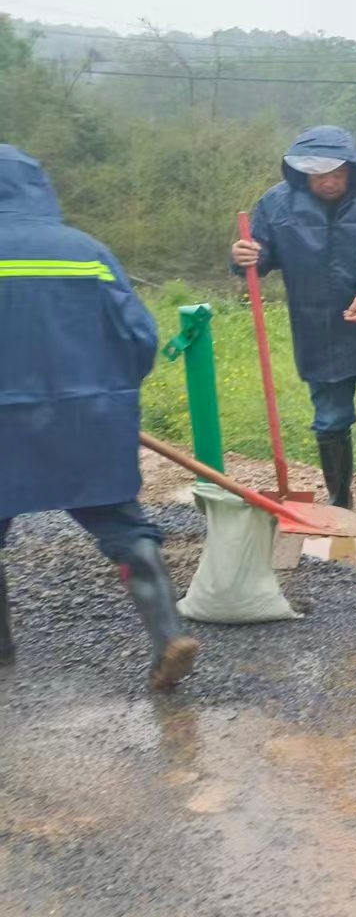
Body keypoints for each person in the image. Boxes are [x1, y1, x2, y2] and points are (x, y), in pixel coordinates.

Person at [0, 145, 198, 690]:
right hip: (87, 415)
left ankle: (2, 648)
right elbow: (138, 336)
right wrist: (114, 394)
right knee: (122, 524)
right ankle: (168, 639)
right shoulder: (86, 251)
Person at [231, 126, 356, 528]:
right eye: (318, 174)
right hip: (318, 332)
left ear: (352, 169)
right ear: (301, 172)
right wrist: (244, 256)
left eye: (336, 172)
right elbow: (259, 257)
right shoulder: (276, 206)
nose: (328, 181)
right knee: (330, 418)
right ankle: (339, 498)